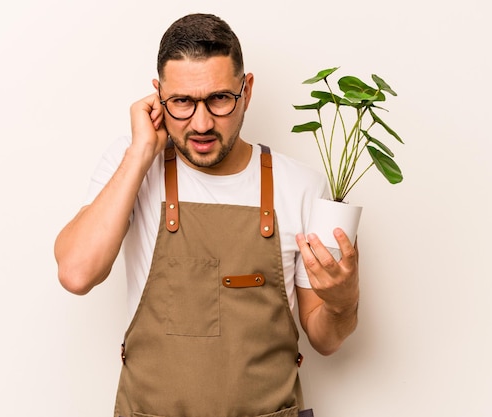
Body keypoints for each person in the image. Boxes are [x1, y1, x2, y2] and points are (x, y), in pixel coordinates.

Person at [54, 12, 359, 417]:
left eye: (218, 99)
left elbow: (325, 340)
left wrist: (342, 302)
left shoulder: (300, 186)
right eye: (181, 101)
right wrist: (141, 152)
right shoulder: (131, 166)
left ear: (246, 90)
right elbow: (76, 273)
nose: (201, 123)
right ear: (158, 96)